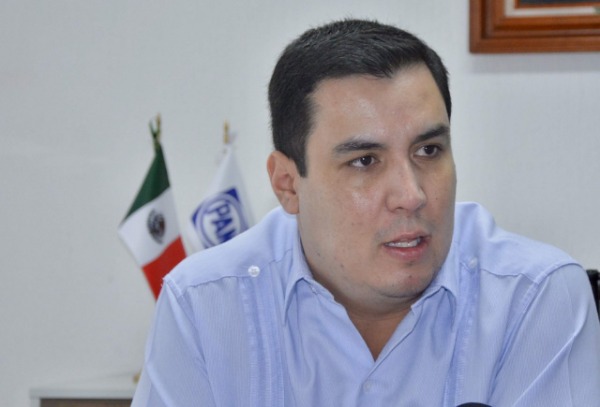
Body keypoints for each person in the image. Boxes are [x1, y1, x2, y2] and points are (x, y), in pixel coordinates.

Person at [131, 19, 600, 406]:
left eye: (428, 150)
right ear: (288, 184)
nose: (411, 195)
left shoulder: (535, 297)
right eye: (365, 161)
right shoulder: (203, 306)